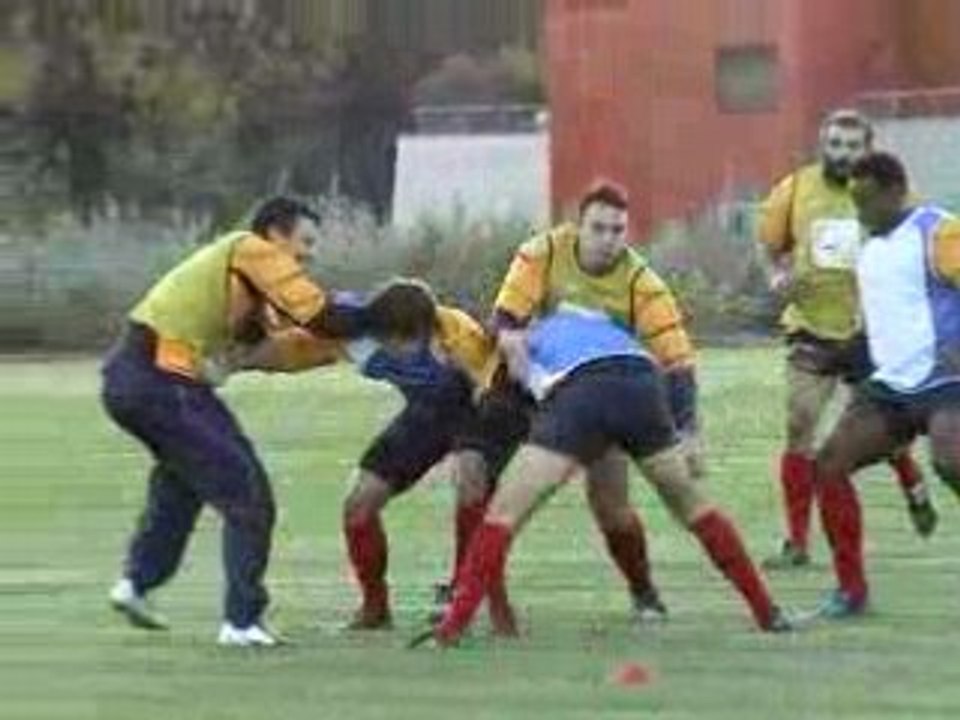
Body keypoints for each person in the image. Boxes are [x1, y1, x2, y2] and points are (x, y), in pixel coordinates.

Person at [413, 304, 792, 646]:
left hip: (583, 392)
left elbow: (527, 376)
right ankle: (766, 611)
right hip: (641, 382)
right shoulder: (598, 319)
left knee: (502, 515)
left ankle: (451, 629)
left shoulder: (523, 333)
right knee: (692, 507)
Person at [103, 197, 363, 646]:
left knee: (182, 482)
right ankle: (241, 624)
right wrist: (382, 314)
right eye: (305, 241)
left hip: (140, 379)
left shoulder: (252, 291)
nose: (309, 254)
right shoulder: (248, 247)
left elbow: (278, 352)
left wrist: (343, 347)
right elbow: (319, 313)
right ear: (274, 234)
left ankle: (136, 583)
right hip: (160, 381)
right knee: (248, 495)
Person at [237, 282, 521, 634]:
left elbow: (492, 390)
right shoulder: (353, 333)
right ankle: (375, 608)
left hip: (480, 410)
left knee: (470, 478)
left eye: (411, 343)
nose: (402, 351)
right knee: (359, 503)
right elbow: (293, 350)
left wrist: (468, 450)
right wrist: (241, 360)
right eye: (396, 343)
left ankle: (465, 593)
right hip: (428, 414)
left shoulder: (456, 333)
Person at [483, 181, 699, 620]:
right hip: (526, 390)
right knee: (480, 483)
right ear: (576, 226)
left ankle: (644, 594)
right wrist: (511, 343)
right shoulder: (541, 254)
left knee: (610, 505)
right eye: (598, 228)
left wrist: (686, 430)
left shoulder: (640, 280)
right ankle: (469, 595)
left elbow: (676, 360)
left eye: (618, 230)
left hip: (592, 400)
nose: (608, 239)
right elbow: (504, 317)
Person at [758, 109, 934, 569]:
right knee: (799, 425)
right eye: (834, 144)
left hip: (870, 336)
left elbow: (919, 251)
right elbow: (770, 248)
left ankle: (911, 480)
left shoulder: (898, 198)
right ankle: (797, 542)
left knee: (880, 432)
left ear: (869, 151)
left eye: (852, 146)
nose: (841, 154)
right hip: (811, 328)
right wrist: (778, 278)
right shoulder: (794, 189)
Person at [814, 152, 960, 618]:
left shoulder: (937, 231)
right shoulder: (870, 249)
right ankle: (851, 591)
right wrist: (840, 355)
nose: (859, 211)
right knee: (829, 465)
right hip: (893, 389)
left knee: (951, 460)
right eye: (853, 201)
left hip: (947, 378)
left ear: (896, 192)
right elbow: (879, 325)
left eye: (867, 200)